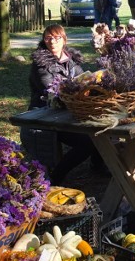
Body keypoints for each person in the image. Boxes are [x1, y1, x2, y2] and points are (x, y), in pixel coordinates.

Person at [26, 24, 104, 184]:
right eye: (48, 37)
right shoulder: (41, 65)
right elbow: (52, 90)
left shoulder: (71, 61)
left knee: (101, 129)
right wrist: (78, 89)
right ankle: (57, 175)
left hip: (68, 111)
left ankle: (98, 164)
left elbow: (84, 79)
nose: (52, 41)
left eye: (56, 37)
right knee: (87, 143)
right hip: (46, 115)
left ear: (64, 39)